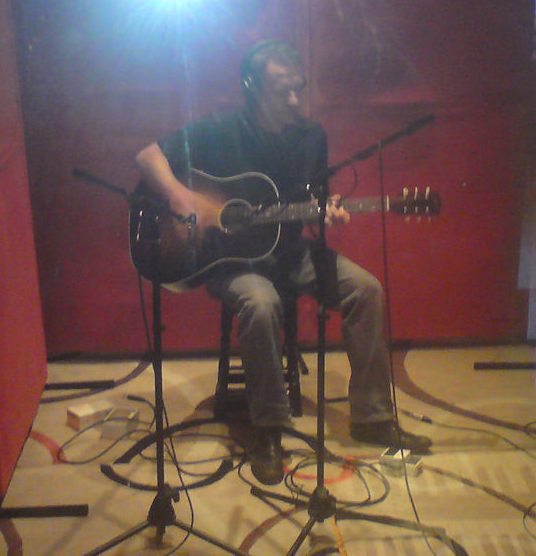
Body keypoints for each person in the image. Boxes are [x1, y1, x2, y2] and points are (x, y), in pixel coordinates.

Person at [135, 40, 431, 485]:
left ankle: (372, 417)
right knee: (261, 304)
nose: (294, 99)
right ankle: (269, 429)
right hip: (232, 262)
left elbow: (313, 200)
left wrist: (325, 210)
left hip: (291, 252)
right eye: (282, 91)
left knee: (366, 289)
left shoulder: (310, 137)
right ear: (251, 88)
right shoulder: (219, 129)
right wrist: (180, 196)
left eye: (298, 88)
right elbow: (147, 156)